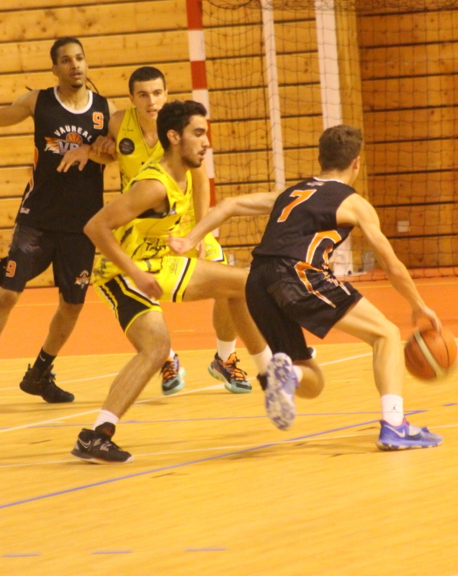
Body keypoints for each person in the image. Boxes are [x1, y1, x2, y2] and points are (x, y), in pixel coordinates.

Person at [169, 124, 443, 451]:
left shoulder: (292, 193)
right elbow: (391, 264)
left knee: (311, 381)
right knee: (386, 334)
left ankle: (290, 376)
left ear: (320, 158)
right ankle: (395, 425)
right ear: (356, 162)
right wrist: (418, 305)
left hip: (257, 281)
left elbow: (229, 204)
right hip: (297, 273)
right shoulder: (355, 203)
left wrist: (189, 239)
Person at [70, 100, 272, 463]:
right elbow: (95, 227)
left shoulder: (187, 172)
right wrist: (135, 273)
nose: (206, 141)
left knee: (242, 282)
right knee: (156, 347)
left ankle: (269, 376)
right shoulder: (153, 185)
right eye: (198, 133)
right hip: (122, 272)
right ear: (175, 137)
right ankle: (96, 435)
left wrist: (191, 240)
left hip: (159, 261)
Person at [0, 37, 116, 410]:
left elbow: (119, 152)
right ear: (54, 68)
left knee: (72, 304)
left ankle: (39, 373)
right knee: (9, 293)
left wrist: (91, 149)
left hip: (82, 225)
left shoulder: (107, 110)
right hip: (37, 219)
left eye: (80, 58)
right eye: (66, 60)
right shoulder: (38, 102)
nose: (75, 65)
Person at [60, 66, 252, 396]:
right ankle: (166, 356)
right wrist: (90, 150)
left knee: (229, 283)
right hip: (140, 228)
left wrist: (200, 231)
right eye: (143, 95)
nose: (152, 101)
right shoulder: (119, 123)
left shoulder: (180, 129)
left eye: (158, 93)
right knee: (145, 288)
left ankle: (225, 357)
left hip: (183, 222)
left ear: (166, 94)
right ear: (132, 98)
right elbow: (109, 155)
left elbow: (200, 180)